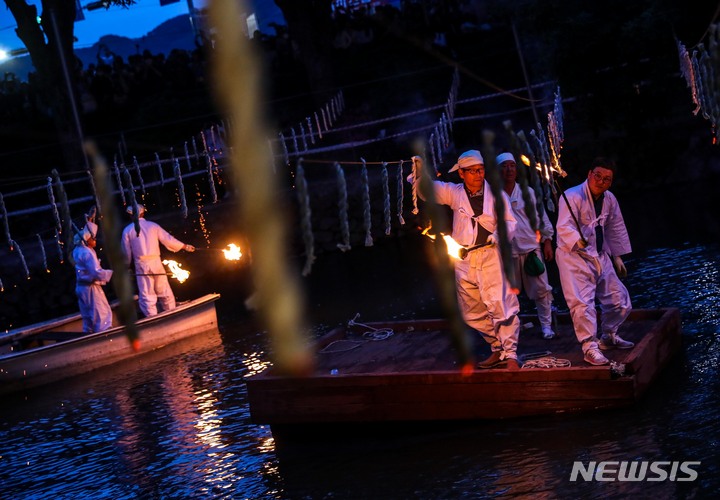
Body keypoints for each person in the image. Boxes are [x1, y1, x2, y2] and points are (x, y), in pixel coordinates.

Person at [410, 150, 522, 370]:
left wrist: (496, 236)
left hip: (490, 256)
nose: (478, 175)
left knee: (501, 305)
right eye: (472, 172)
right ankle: (497, 346)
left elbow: (510, 223)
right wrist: (420, 173)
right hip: (465, 258)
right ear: (461, 173)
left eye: (480, 170)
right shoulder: (454, 193)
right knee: (472, 311)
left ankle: (511, 353)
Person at [555, 157, 634, 366]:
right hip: (574, 258)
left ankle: (608, 335)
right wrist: (576, 240)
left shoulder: (609, 199)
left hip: (600, 254)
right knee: (582, 305)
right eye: (597, 176)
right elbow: (563, 227)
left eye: (606, 179)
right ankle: (589, 348)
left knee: (620, 300)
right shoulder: (571, 196)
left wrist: (616, 256)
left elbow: (614, 227)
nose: (601, 181)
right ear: (589, 174)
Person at [498, 152, 557, 340]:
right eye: (504, 166)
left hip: (531, 248)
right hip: (506, 252)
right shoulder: (492, 194)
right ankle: (511, 329)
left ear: (516, 169)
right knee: (507, 294)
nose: (509, 169)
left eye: (512, 166)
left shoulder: (527, 192)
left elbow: (541, 217)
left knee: (542, 290)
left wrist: (547, 240)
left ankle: (546, 327)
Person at [121, 204, 195, 317]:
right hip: (156, 262)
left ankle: (152, 317)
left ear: (131, 216)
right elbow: (168, 239)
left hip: (141, 265)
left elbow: (126, 252)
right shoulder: (153, 226)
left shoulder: (127, 230)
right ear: (143, 213)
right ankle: (171, 313)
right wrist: (185, 246)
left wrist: (126, 267)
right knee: (164, 289)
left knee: (147, 294)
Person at [73, 220, 113, 333]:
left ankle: (88, 334)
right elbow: (96, 272)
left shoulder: (77, 250)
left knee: (88, 316)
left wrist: (90, 220)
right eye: (93, 237)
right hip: (91, 288)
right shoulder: (87, 253)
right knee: (101, 314)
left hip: (81, 288)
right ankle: (104, 337)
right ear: (87, 239)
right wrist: (112, 274)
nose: (95, 240)